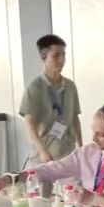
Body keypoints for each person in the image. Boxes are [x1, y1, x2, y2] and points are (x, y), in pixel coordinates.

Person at [0, 109, 104, 195]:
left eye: (101, 135)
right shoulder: (87, 153)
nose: (93, 138)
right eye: (93, 132)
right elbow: (49, 169)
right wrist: (11, 177)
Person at [20, 34, 83, 170]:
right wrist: (42, 151)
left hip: (67, 153)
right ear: (43, 57)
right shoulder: (35, 88)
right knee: (41, 184)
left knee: (71, 184)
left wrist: (80, 147)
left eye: (63, 55)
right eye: (56, 56)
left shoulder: (70, 86)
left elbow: (74, 119)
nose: (61, 60)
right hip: (43, 156)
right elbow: (29, 123)